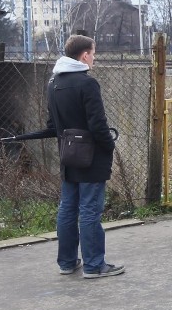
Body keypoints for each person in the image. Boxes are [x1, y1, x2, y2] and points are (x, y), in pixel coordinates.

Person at [8, 35, 124, 279]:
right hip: (91, 156)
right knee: (90, 210)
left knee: (68, 209)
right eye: (93, 54)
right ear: (84, 55)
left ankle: (67, 262)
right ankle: (94, 266)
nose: (94, 58)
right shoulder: (87, 84)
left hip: (68, 155)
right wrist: (108, 146)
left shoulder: (54, 82)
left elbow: (53, 125)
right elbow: (97, 124)